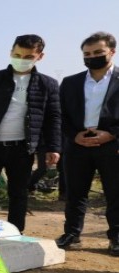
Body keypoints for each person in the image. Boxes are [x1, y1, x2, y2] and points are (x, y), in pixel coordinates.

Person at [0, 34, 61, 233]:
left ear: (40, 56)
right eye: (17, 54)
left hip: (22, 148)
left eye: (28, 56)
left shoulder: (48, 84)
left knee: (19, 193)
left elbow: (53, 117)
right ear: (11, 52)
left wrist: (54, 147)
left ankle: (15, 232)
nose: (21, 59)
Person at [56, 31, 119, 256]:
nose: (92, 57)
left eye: (98, 52)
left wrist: (111, 134)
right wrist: (74, 135)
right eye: (87, 53)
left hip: (112, 145)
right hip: (77, 144)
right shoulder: (71, 82)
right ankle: (72, 233)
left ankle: (116, 237)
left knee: (115, 192)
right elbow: (60, 114)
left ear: (112, 51)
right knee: (75, 193)